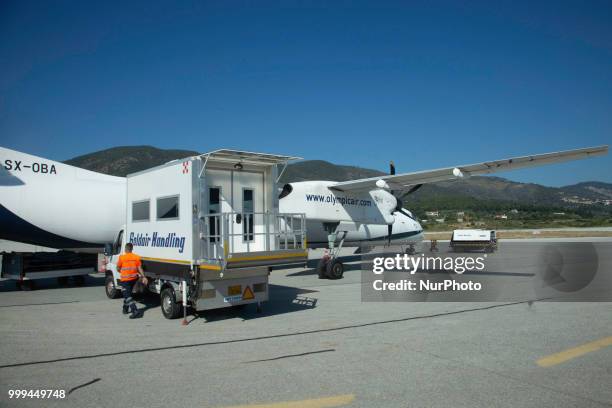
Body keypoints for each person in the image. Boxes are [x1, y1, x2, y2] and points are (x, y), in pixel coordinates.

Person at [116, 243, 147, 319]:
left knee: (127, 296)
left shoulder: (122, 257)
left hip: (125, 280)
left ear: (126, 249)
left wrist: (122, 271)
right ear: (132, 249)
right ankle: (125, 309)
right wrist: (143, 277)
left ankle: (135, 311)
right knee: (127, 294)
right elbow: (140, 268)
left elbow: (118, 268)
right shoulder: (136, 257)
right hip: (134, 279)